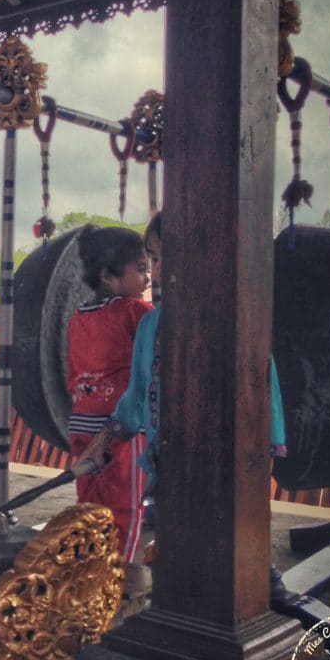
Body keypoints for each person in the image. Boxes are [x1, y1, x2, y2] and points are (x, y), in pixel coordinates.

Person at [78, 210, 286, 521]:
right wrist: (102, 442)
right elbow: (134, 400)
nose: (157, 276)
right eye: (153, 261)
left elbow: (264, 404)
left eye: (161, 260)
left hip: (227, 481)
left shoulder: (239, 324)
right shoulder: (150, 327)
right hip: (170, 474)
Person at [67, 225, 153, 563]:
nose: (148, 278)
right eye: (142, 268)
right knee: (125, 507)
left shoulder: (78, 317)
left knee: (89, 503)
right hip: (120, 428)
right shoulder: (136, 312)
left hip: (82, 422)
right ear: (109, 277)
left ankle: (88, 567)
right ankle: (117, 576)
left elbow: (73, 374)